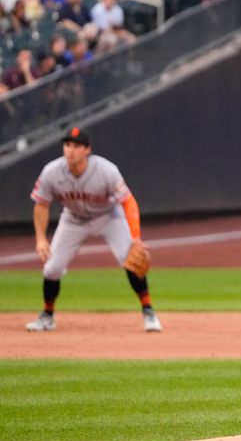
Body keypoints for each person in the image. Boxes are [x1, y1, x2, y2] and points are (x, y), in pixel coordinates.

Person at [26, 126, 162, 332]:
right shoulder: (51, 172)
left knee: (133, 261)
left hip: (108, 217)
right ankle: (47, 316)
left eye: (77, 146)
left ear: (87, 150)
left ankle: (148, 311)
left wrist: (136, 237)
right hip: (73, 220)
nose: (70, 150)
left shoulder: (106, 170)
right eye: (67, 145)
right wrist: (40, 238)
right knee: (52, 268)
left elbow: (128, 201)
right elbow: (42, 204)